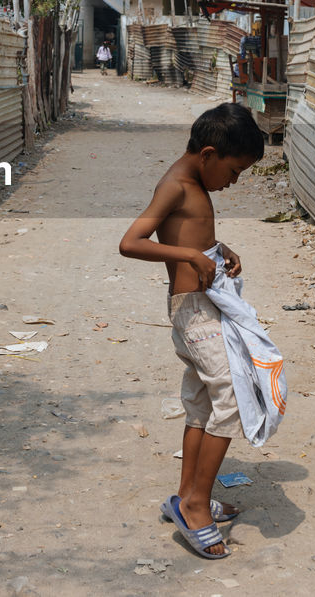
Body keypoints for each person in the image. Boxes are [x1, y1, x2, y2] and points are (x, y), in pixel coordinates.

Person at [118, 103, 281, 560]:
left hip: (203, 308)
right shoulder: (176, 185)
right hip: (193, 313)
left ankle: (189, 494)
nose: (234, 181)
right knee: (231, 400)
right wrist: (190, 258)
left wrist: (215, 249)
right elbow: (131, 242)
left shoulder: (193, 182)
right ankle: (193, 506)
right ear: (208, 154)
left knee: (202, 404)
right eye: (233, 171)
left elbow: (190, 236)